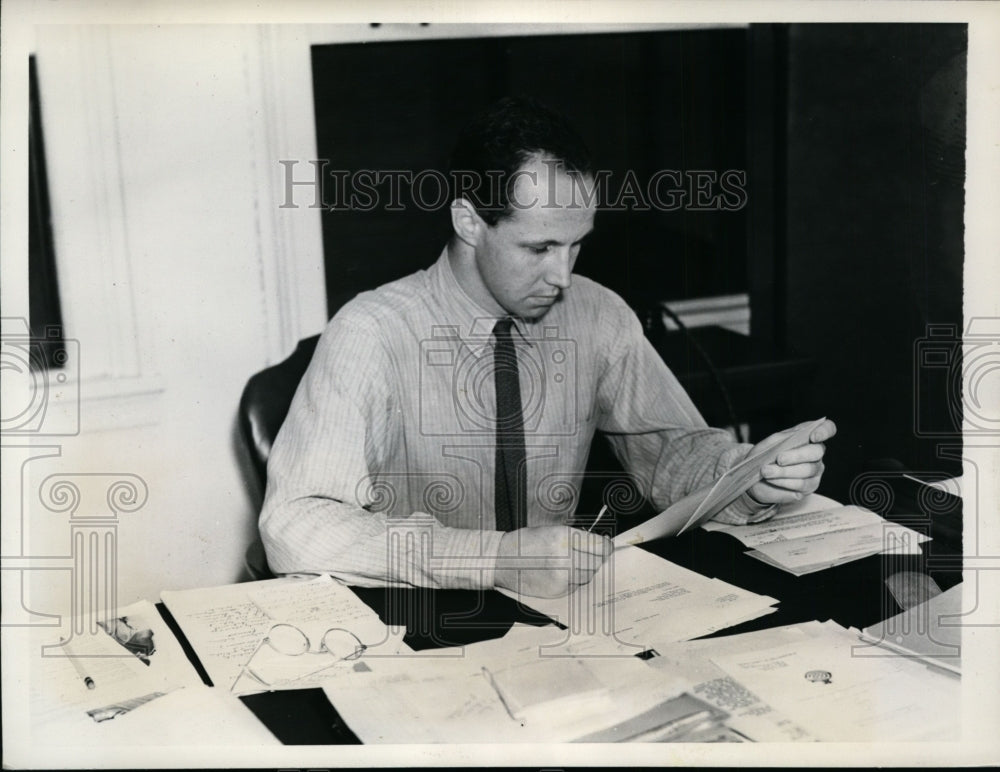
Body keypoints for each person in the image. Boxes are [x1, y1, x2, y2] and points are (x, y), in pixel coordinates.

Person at [260, 96, 836, 599]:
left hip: (555, 615)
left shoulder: (597, 314)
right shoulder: (370, 333)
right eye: (539, 249)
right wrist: (495, 560)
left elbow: (672, 454)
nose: (562, 275)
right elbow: (295, 526)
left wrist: (747, 476)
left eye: (577, 245)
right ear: (468, 220)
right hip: (416, 622)